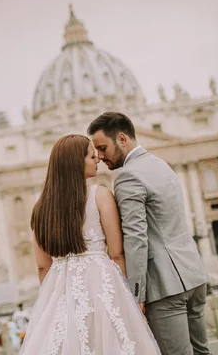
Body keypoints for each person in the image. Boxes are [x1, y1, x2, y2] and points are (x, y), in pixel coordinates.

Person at [20, 134, 161, 354]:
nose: (97, 159)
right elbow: (117, 254)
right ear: (77, 161)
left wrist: (55, 297)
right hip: (102, 284)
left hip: (59, 289)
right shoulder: (100, 195)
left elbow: (42, 266)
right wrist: (128, 297)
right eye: (92, 155)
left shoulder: (40, 208)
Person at [88, 112, 211, 355]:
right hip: (194, 276)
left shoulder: (127, 176)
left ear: (122, 139)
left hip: (164, 286)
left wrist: (135, 295)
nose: (100, 157)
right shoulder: (159, 163)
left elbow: (136, 239)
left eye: (102, 148)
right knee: (201, 352)